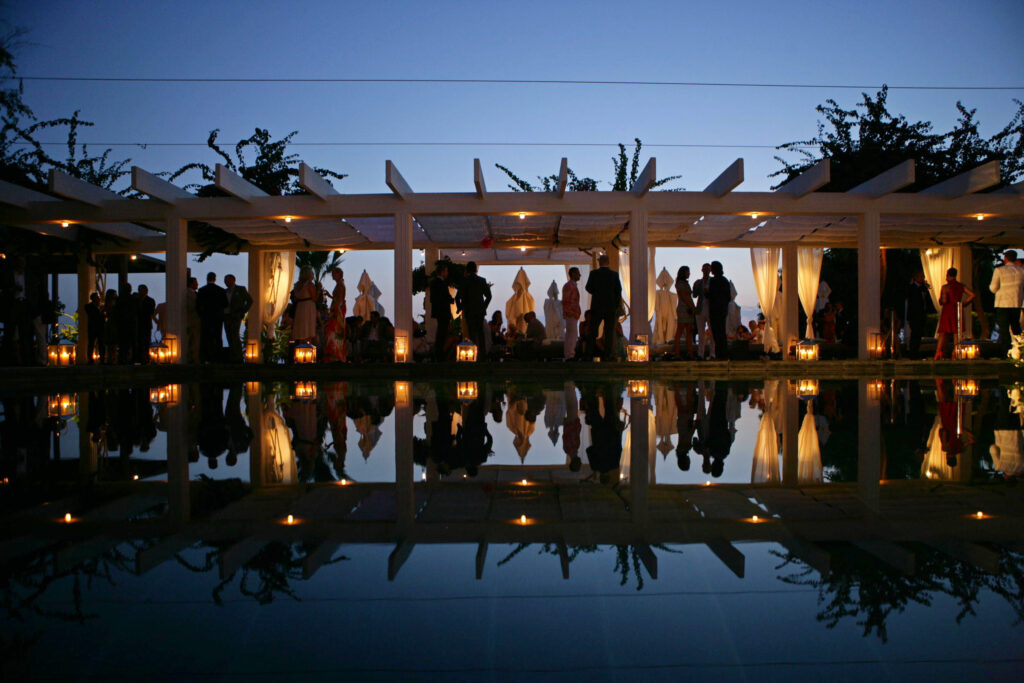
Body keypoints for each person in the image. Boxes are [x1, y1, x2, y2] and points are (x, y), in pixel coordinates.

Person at [584, 253, 622, 362]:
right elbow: (618, 291)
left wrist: (597, 293)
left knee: (593, 330)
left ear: (599, 262)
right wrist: (614, 304)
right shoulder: (614, 275)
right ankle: (607, 355)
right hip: (610, 307)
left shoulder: (594, 274)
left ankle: (588, 355)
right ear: (608, 262)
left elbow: (588, 288)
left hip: (597, 306)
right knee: (609, 331)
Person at [934, 267, 976, 360]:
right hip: (957, 309)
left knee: (943, 333)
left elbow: (944, 301)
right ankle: (955, 353)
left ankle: (938, 353)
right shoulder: (961, 286)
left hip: (948, 309)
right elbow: (973, 295)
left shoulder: (945, 287)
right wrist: (963, 304)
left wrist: (940, 300)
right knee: (956, 332)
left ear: (948, 275)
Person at [989, 250, 1024, 357]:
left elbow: (993, 288)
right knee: (1016, 328)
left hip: (1002, 303)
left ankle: (1005, 353)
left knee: (1004, 329)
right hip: (1016, 302)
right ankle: (1019, 350)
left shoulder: (999, 270)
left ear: (1006, 258)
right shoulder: (1021, 271)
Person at [455, 261, 491, 349]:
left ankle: (474, 353)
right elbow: (489, 296)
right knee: (480, 332)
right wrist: (484, 307)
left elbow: (457, 297)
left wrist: (460, 307)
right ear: (475, 269)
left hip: (469, 310)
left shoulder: (464, 281)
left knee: (471, 333)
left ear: (467, 270)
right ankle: (482, 355)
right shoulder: (482, 280)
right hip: (479, 311)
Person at [196, 272, 227, 363]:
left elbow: (197, 305)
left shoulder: (202, 290)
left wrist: (201, 315)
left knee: (206, 337)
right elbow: (225, 304)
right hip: (218, 318)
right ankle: (218, 357)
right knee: (217, 337)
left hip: (206, 318)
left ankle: (206, 357)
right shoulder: (221, 290)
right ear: (215, 279)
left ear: (207, 278)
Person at [222, 274, 253, 363]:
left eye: (227, 280)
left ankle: (238, 357)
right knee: (229, 336)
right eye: (225, 280)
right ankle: (232, 356)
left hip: (235, 316)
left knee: (234, 335)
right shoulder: (225, 291)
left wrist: (242, 311)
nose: (226, 282)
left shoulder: (241, 289)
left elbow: (249, 301)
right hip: (226, 316)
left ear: (233, 280)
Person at [706, 261, 732, 361]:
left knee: (717, 334)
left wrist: (706, 293)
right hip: (722, 311)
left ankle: (719, 355)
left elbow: (711, 295)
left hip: (715, 311)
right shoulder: (725, 281)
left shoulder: (713, 281)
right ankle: (723, 354)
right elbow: (728, 297)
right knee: (721, 333)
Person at [429, 262, 454, 361]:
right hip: (443, 312)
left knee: (441, 332)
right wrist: (451, 299)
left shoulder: (434, 282)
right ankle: (439, 354)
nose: (447, 273)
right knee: (442, 333)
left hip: (439, 312)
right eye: (446, 271)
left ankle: (438, 353)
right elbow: (443, 297)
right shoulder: (441, 283)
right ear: (443, 272)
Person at [905, 271, 932, 359]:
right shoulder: (912, 288)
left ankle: (916, 351)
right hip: (914, 315)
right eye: (921, 277)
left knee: (919, 334)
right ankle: (912, 353)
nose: (922, 278)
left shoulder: (923, 288)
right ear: (916, 278)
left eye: (923, 277)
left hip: (921, 314)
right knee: (915, 334)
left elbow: (926, 301)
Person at [290, 266, 318, 347]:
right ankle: (308, 350)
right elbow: (314, 298)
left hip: (300, 307)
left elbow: (295, 298)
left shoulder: (297, 285)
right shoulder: (310, 285)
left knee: (302, 330)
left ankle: (300, 350)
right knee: (308, 330)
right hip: (309, 307)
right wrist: (318, 291)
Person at [672, 265, 696, 359]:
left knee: (689, 332)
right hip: (683, 308)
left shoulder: (685, 283)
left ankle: (690, 353)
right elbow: (683, 296)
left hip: (689, 309)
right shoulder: (680, 283)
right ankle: (677, 353)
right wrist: (692, 307)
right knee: (680, 331)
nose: (689, 273)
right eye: (687, 272)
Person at [324, 267, 347, 362]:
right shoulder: (339, 284)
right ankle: (335, 354)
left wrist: (334, 311)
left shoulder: (340, 285)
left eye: (334, 273)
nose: (333, 275)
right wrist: (330, 296)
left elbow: (339, 300)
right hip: (338, 310)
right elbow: (338, 298)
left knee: (333, 332)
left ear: (339, 274)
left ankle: (335, 354)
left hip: (337, 312)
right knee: (334, 333)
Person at [114, 282, 138, 364]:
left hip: (121, 324)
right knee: (132, 342)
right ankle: (133, 358)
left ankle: (122, 358)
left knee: (122, 343)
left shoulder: (119, 299)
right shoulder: (133, 299)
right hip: (131, 323)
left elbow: (116, 311)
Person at [692, 263, 712, 359]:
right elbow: (694, 295)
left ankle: (712, 354)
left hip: (710, 308)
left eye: (707, 269)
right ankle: (700, 354)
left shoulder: (713, 281)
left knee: (711, 333)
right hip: (700, 309)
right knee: (701, 333)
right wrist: (696, 287)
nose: (706, 271)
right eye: (704, 269)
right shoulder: (698, 282)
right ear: (702, 270)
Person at [562, 267, 581, 360]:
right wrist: (573, 312)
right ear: (573, 274)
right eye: (578, 273)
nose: (579, 275)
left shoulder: (569, 285)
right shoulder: (570, 286)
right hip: (571, 314)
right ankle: (570, 355)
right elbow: (568, 301)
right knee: (572, 334)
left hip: (570, 313)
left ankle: (568, 354)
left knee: (570, 334)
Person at [135, 283, 156, 364]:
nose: (140, 292)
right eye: (139, 290)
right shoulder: (136, 300)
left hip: (146, 323)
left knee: (146, 341)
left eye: (141, 290)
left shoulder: (150, 301)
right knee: (139, 341)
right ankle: (139, 358)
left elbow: (151, 312)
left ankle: (146, 358)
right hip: (138, 324)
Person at [83, 291, 105, 364]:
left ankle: (102, 358)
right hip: (93, 328)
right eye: (97, 297)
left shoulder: (101, 307)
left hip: (100, 328)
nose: (98, 298)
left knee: (101, 343)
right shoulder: (88, 307)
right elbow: (93, 315)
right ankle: (90, 359)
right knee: (91, 344)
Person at [185, 277, 200, 364]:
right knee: (194, 340)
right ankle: (193, 358)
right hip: (193, 320)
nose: (197, 284)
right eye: (196, 283)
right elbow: (191, 306)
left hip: (193, 320)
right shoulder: (189, 294)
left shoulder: (193, 293)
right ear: (191, 284)